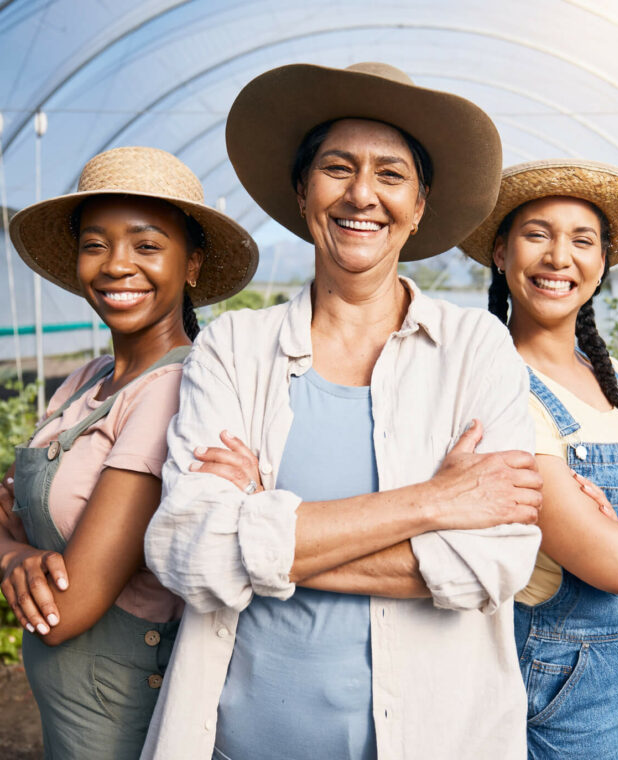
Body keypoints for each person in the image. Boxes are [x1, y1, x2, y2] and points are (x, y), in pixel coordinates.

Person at [141, 62, 545, 760]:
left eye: (391, 175)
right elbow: (186, 552)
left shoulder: (476, 346)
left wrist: (263, 526)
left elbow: (497, 561)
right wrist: (434, 502)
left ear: (419, 206)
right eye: (337, 168)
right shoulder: (234, 349)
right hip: (248, 741)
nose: (362, 194)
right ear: (303, 193)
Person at [0, 146, 257, 760]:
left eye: (146, 246)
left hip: (117, 707)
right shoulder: (88, 380)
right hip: (69, 704)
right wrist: (11, 554)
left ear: (191, 264)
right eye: (96, 244)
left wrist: (8, 555)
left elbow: (65, 610)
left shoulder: (173, 388)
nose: (118, 265)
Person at [460, 158, 618, 759]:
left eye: (582, 240)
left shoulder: (616, 378)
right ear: (501, 253)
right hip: (567, 690)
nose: (558, 257)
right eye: (537, 234)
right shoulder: (498, 388)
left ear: (601, 264)